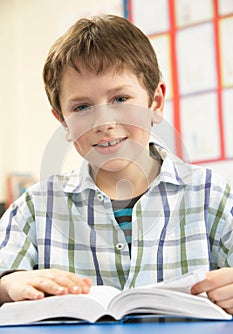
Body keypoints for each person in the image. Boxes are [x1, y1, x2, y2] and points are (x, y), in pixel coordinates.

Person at [0, 14, 233, 314]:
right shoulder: (36, 207)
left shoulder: (209, 194)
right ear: (64, 123)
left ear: (156, 102)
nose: (104, 122)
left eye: (120, 98)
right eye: (82, 107)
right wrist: (8, 285)